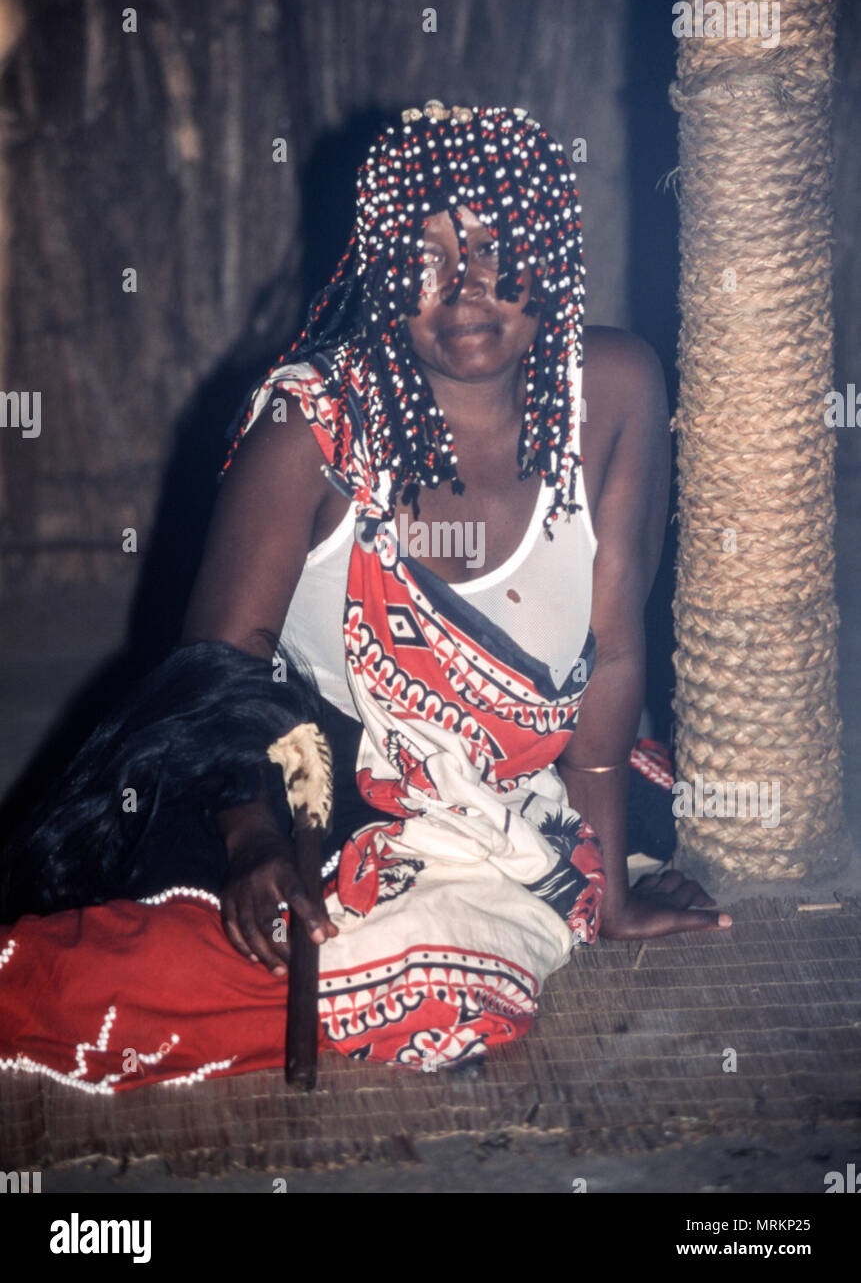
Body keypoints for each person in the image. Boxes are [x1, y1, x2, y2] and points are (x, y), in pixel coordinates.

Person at [0, 101, 729, 1093]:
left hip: (534, 783)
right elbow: (213, 681)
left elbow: (617, 652)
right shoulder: (311, 432)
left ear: (550, 255)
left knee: (613, 866)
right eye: (424, 255)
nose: (462, 286)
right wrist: (254, 840)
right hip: (312, 791)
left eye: (491, 246)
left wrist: (606, 881)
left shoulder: (618, 387)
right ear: (382, 273)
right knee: (167, 972)